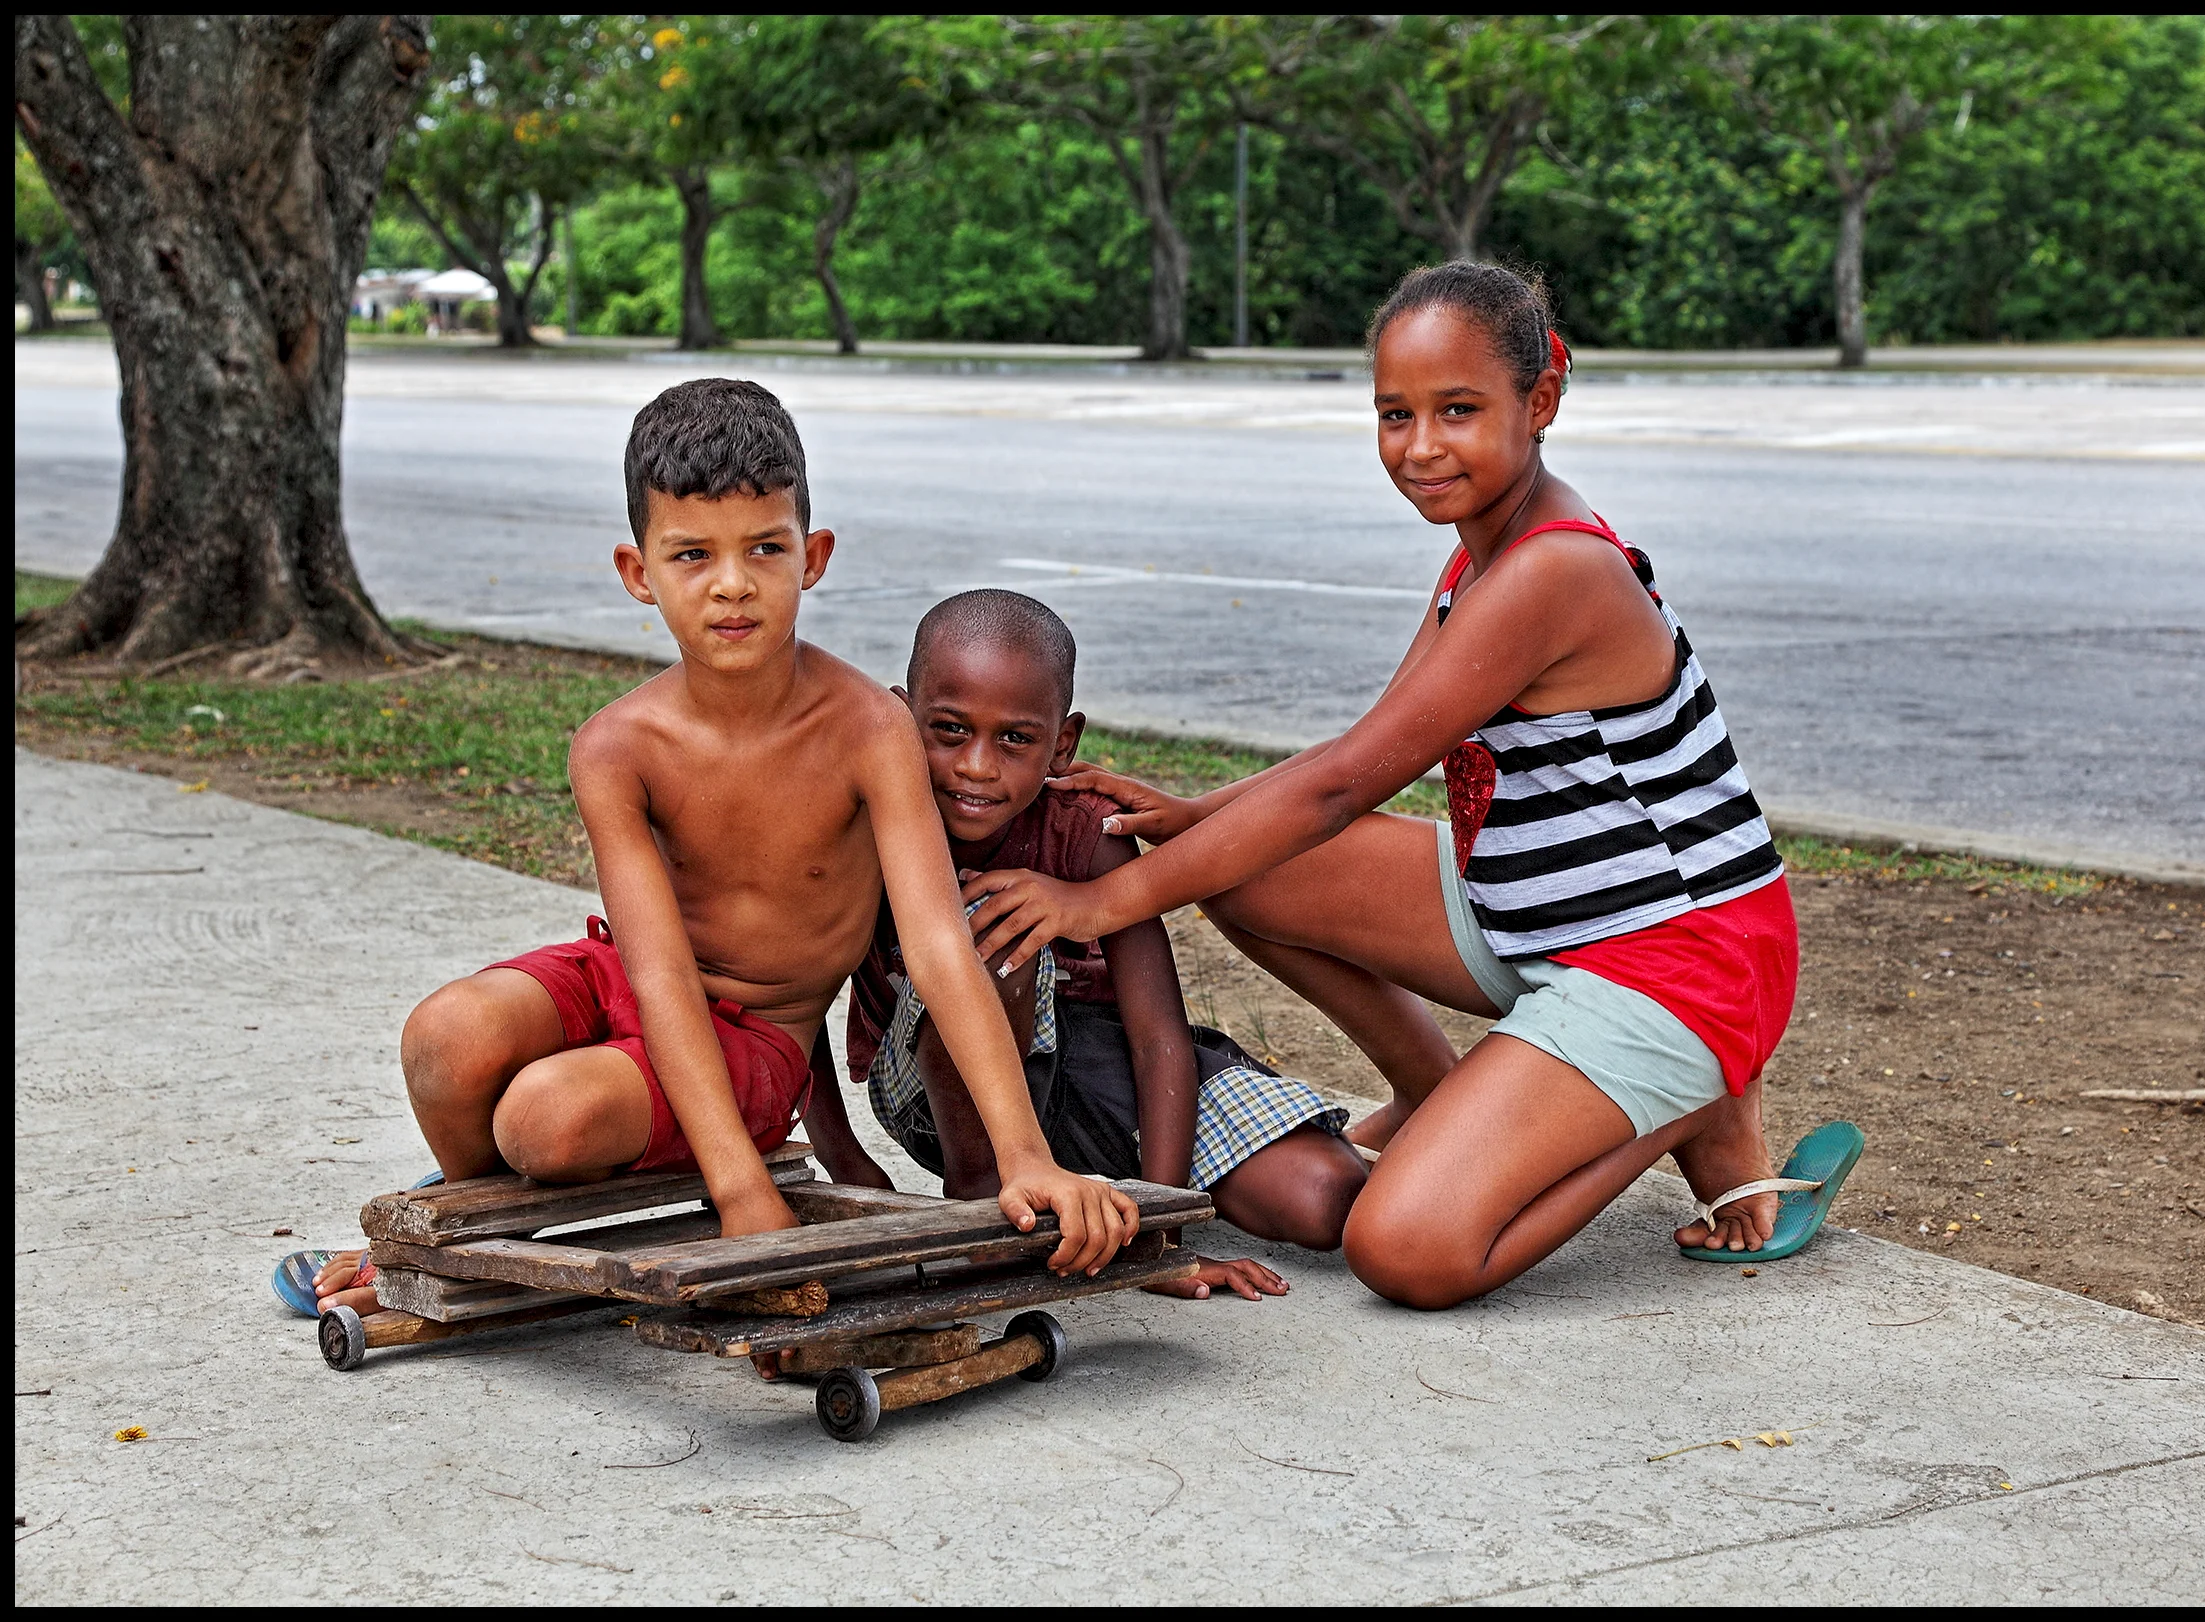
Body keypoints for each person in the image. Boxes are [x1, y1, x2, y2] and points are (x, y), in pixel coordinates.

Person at [959, 263, 1854, 1310]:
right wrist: (1196, 816)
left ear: (1541, 403)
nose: (1420, 446)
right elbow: (1368, 746)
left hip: (1683, 959)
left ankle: (1690, 1100)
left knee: (1408, 1249)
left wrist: (1098, 899)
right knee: (1247, 868)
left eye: (1457, 411)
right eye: (1396, 414)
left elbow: (1344, 785)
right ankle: (1437, 1092)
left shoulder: (1550, 572)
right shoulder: (1484, 552)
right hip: (1541, 916)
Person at [281, 378, 1135, 1321]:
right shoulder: (618, 745)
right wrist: (741, 1202)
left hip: (755, 1035)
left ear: (810, 557)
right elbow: (650, 972)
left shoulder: (867, 730)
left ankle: (502, 1201)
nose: (732, 585)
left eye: (763, 549)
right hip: (631, 979)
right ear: (638, 571)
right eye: (692, 555)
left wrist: (1025, 1156)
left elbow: (940, 947)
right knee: (444, 1037)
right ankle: (462, 1226)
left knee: (545, 1118)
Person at [810, 590, 1369, 1303]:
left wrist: (1160, 1235)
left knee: (1324, 1199)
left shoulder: (1086, 832)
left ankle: (1102, 1201)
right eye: (948, 730)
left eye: (1015, 739)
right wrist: (848, 1165)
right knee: (990, 929)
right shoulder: (860, 829)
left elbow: (1158, 1039)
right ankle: (982, 1199)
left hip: (1105, 1088)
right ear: (899, 716)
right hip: (937, 1092)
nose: (977, 766)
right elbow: (791, 1005)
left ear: (1062, 744)